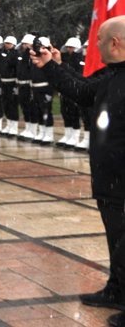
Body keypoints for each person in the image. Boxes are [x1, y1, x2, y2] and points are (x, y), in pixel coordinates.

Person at [30, 16, 125, 327]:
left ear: (115, 42)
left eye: (99, 39)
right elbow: (82, 91)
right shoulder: (113, 75)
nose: (95, 45)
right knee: (117, 238)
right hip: (110, 177)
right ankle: (118, 290)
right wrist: (53, 65)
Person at [58, 37, 84, 148]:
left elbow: (78, 75)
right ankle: (68, 134)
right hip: (65, 88)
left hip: (74, 88)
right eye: (68, 47)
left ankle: (75, 136)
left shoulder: (80, 59)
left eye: (71, 47)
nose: (69, 49)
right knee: (65, 112)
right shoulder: (65, 58)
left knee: (74, 113)